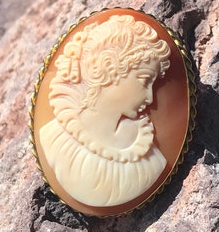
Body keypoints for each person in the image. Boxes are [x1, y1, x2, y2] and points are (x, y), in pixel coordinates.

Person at [39, 13, 171, 208]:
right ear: (109, 67)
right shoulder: (51, 138)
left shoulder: (151, 162)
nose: (150, 98)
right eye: (144, 81)